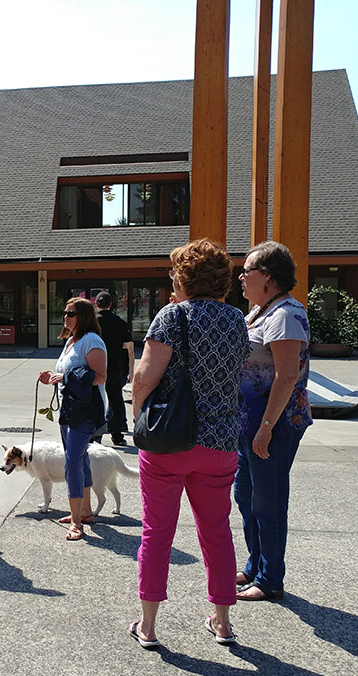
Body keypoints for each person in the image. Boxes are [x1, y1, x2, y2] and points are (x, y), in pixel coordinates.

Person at [128, 239, 249, 648]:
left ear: (182, 277)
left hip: (170, 441)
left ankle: (148, 626)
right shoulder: (237, 319)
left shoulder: (171, 316)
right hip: (220, 442)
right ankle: (222, 622)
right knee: (216, 531)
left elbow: (145, 376)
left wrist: (138, 414)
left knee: (156, 531)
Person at [234, 241, 312, 601]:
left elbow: (286, 377)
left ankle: (270, 579)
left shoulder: (285, 315)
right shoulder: (260, 311)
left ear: (267, 277)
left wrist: (265, 428)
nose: (241, 277)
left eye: (246, 271)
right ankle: (255, 564)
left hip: (274, 424)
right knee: (245, 494)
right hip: (249, 420)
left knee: (268, 499)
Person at [39, 297, 108, 542]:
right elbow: (67, 373)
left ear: (84, 316)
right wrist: (53, 377)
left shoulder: (92, 340)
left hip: (86, 411)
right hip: (69, 409)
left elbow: (100, 377)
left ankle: (76, 521)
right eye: (64, 312)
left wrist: (65, 378)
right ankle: (85, 511)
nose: (65, 317)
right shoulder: (71, 341)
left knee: (72, 462)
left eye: (71, 313)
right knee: (80, 459)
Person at [95, 291, 135, 445]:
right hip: (115, 367)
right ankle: (117, 435)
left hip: (97, 366)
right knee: (116, 401)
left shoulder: (93, 322)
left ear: (97, 304)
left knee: (97, 401)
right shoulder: (119, 322)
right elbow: (129, 347)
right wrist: (131, 370)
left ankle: (96, 436)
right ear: (111, 304)